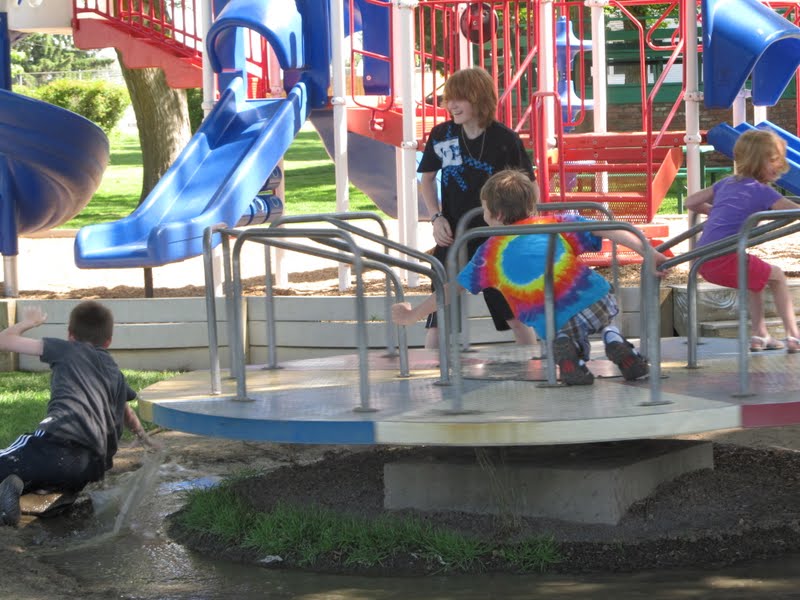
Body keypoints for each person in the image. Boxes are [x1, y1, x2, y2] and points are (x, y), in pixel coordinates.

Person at [393, 169, 670, 385]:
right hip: (592, 300)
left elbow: (451, 289)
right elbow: (607, 228)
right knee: (608, 315)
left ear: (497, 214)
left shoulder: (488, 252)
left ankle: (570, 353)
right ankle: (612, 337)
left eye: (486, 211)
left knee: (561, 334)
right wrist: (647, 251)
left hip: (552, 320)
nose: (485, 217)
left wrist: (411, 315)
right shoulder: (554, 224)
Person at [0, 301, 154, 527]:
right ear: (108, 341)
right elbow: (126, 411)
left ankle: (10, 492)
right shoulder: (116, 373)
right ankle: (52, 498)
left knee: (21, 453)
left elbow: (4, 340)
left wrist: (29, 322)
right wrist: (144, 437)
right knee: (53, 473)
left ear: (70, 335)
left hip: (56, 446)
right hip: (91, 467)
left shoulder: (67, 349)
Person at [418, 66, 537, 350]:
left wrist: (521, 230)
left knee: (514, 312)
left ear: (479, 98)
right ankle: (431, 377)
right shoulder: (442, 134)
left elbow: (528, 187)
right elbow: (427, 179)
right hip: (454, 233)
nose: (451, 105)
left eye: (460, 98)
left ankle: (535, 367)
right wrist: (436, 218)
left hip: (495, 238)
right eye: (449, 99)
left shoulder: (504, 139)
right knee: (439, 312)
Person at [685, 128, 800, 353]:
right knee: (777, 277)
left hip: (702, 259)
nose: (778, 169)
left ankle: (760, 336)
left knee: (754, 280)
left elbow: (691, 202)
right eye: (775, 163)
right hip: (723, 257)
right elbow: (793, 211)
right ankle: (794, 336)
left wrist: (718, 211)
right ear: (764, 163)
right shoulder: (762, 191)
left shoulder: (726, 183)